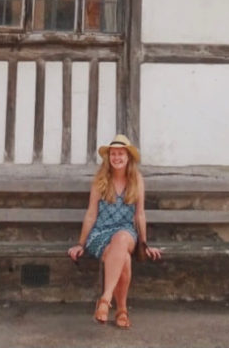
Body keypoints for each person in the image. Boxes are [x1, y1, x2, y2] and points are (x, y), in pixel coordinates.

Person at [67, 134, 162, 328]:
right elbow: (91, 214)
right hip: (100, 233)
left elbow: (140, 215)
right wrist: (81, 243)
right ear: (108, 157)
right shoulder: (101, 180)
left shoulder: (136, 179)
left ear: (128, 157)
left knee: (121, 238)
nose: (116, 157)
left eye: (121, 154)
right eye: (113, 154)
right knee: (124, 259)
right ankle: (121, 310)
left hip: (127, 233)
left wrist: (144, 243)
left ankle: (105, 299)